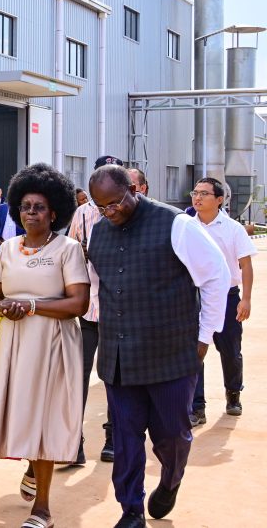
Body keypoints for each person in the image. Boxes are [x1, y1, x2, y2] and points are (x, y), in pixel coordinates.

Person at [87, 165, 228, 527]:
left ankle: (170, 479)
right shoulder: (98, 233)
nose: (109, 212)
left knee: (172, 436)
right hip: (120, 359)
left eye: (115, 203)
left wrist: (204, 336)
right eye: (101, 206)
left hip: (170, 355)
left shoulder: (175, 224)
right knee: (126, 439)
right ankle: (130, 510)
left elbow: (216, 275)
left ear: (134, 190)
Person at [0, 163, 90, 528]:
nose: (31, 213)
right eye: (26, 206)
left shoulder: (68, 249)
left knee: (44, 420)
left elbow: (78, 304)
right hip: (13, 342)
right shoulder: (7, 249)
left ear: (54, 213)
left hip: (52, 343)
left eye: (39, 207)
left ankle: (43, 510)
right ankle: (33, 468)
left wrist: (31, 305)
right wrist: (0, 307)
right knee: (22, 414)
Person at [66, 154, 124, 465]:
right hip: (87, 310)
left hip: (119, 312)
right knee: (77, 376)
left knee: (114, 378)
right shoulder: (82, 214)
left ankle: (113, 436)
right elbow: (71, 254)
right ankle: (74, 442)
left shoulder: (128, 212)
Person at [188, 177, 256, 425]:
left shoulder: (232, 229)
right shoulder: (187, 227)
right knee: (195, 350)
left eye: (204, 194)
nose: (197, 197)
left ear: (219, 200)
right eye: (195, 192)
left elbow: (246, 265)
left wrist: (245, 299)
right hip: (195, 297)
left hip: (226, 297)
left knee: (229, 350)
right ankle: (197, 407)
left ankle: (233, 393)